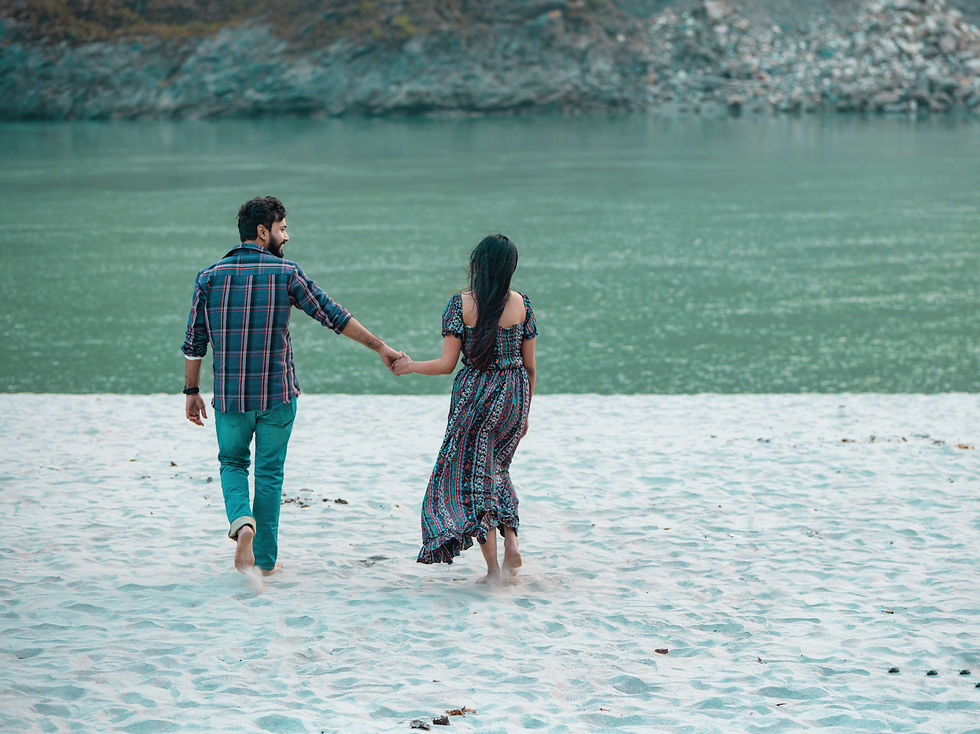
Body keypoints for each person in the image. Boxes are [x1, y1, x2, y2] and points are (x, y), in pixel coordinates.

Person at [182, 196, 402, 576]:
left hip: (231, 399)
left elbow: (194, 342)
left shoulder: (209, 277)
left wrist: (191, 391)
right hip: (277, 396)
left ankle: (242, 523)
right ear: (262, 231)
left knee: (232, 463)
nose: (287, 236)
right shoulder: (286, 274)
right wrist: (380, 346)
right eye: (282, 229)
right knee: (269, 474)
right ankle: (264, 561)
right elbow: (333, 315)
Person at [393, 234, 537, 585]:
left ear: (478, 264)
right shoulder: (522, 304)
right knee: (498, 469)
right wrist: (525, 413)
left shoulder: (462, 305)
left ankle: (493, 571)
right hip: (515, 394)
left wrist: (410, 366)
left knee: (473, 479)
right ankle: (512, 541)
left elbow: (446, 365)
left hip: (476, 398)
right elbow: (530, 367)